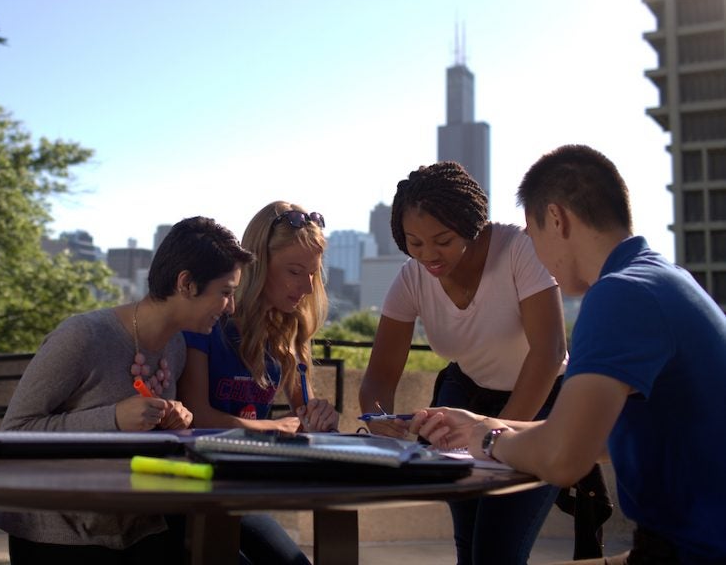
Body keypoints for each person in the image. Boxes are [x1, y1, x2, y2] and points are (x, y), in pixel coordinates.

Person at [411, 145, 726, 565]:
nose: (536, 254)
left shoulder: (620, 294)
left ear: (556, 219)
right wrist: (486, 423)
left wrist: (487, 439)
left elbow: (563, 461)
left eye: (532, 234)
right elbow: (587, 438)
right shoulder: (663, 279)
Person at [0, 216, 255, 565]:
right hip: (60, 536)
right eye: (225, 292)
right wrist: (113, 418)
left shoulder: (176, 347)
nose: (232, 307)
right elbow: (13, 433)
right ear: (187, 283)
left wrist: (174, 425)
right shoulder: (82, 336)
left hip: (138, 530)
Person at [358, 161, 569, 565]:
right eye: (414, 243)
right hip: (464, 395)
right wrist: (380, 419)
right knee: (469, 545)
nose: (429, 256)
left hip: (541, 398)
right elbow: (380, 375)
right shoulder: (411, 278)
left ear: (471, 224)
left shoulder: (519, 249)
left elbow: (549, 351)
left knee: (497, 550)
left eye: (443, 240)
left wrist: (496, 437)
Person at [177, 201, 339, 565]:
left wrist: (320, 416)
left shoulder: (287, 329)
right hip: (186, 488)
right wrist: (272, 428)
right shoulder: (208, 317)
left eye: (313, 273)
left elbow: (303, 416)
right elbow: (197, 417)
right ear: (259, 265)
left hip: (241, 488)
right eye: (295, 271)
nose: (307, 286)